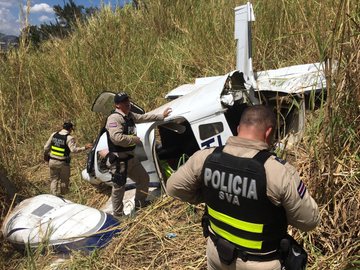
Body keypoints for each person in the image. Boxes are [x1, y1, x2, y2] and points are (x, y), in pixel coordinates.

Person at [166, 105, 319, 270]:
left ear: (238, 128)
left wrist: (210, 194)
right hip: (260, 263)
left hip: (217, 254)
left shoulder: (205, 158)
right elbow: (309, 221)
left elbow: (173, 188)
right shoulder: (278, 171)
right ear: (268, 132)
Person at [105, 92, 172, 218]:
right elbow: (116, 138)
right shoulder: (114, 118)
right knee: (119, 189)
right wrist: (134, 139)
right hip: (119, 161)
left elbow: (142, 117)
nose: (127, 103)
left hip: (131, 158)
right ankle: (118, 215)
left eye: (127, 100)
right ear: (117, 105)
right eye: (124, 101)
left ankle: (140, 204)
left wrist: (160, 116)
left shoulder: (129, 115)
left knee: (144, 179)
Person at [44, 121, 93, 196]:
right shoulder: (69, 138)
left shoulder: (54, 134)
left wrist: (46, 155)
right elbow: (73, 150)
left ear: (63, 127)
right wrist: (85, 147)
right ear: (70, 129)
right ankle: (63, 197)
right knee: (64, 181)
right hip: (63, 163)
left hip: (52, 161)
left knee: (54, 179)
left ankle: (53, 196)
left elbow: (46, 147)